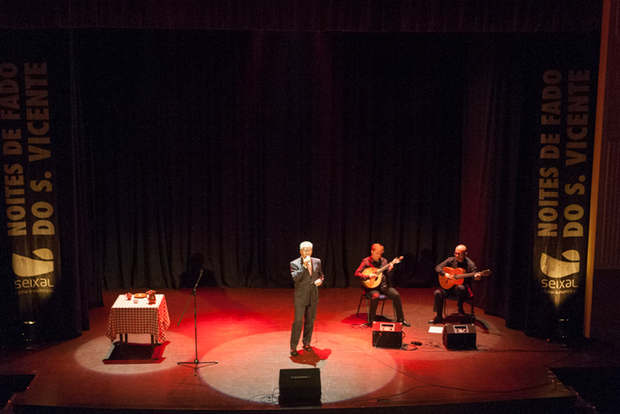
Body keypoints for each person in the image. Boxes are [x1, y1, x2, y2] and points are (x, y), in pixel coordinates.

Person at [354, 243, 410, 327]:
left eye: (380, 254)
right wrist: (368, 276)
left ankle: (400, 319)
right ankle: (372, 320)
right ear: (372, 251)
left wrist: (390, 269)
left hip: (383, 286)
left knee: (396, 294)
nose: (379, 256)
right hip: (371, 287)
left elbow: (387, 274)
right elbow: (357, 274)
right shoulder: (366, 262)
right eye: (377, 253)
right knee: (375, 296)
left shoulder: (384, 261)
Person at [428, 244, 481, 324]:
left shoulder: (470, 264)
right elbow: (438, 267)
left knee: (460, 287)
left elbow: (474, 276)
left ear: (465, 254)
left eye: (458, 253)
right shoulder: (451, 260)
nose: (456, 255)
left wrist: (477, 277)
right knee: (437, 293)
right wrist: (445, 274)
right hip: (449, 289)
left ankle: (460, 310)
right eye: (455, 253)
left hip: (463, 292)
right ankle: (439, 316)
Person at [289, 241, 324, 357]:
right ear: (300, 251)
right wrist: (304, 266)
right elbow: (295, 278)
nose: (307, 252)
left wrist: (320, 280)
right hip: (300, 297)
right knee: (298, 322)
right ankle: (293, 346)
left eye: (309, 250)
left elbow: (320, 274)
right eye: (305, 250)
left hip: (313, 295)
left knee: (310, 321)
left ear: (312, 251)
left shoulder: (317, 261)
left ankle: (307, 343)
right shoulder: (294, 263)